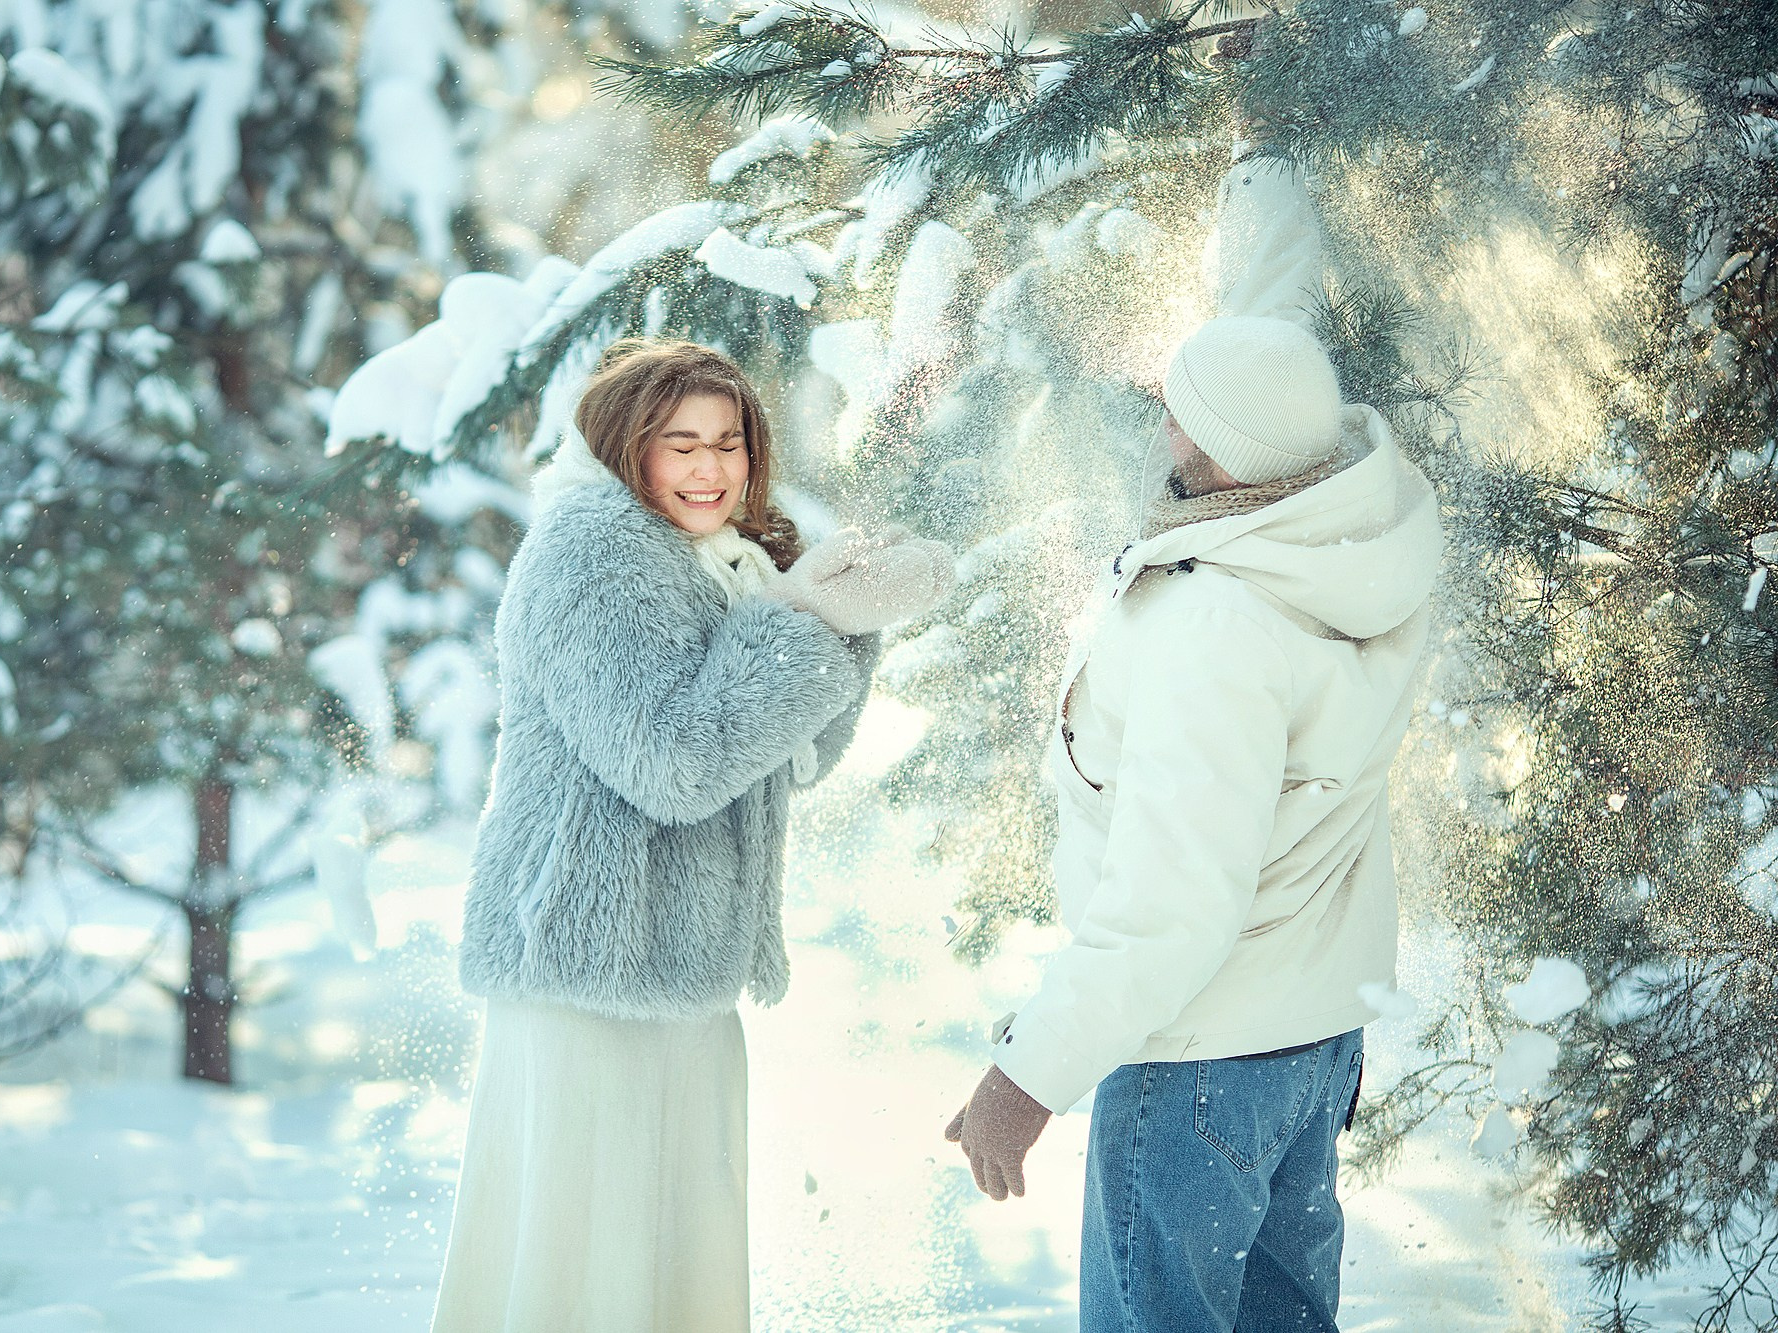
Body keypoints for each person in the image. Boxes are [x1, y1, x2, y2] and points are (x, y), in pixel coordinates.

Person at [943, 55, 1447, 1333]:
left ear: (1217, 445)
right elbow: (1269, 330)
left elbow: (1175, 902)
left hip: (1196, 1064)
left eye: (1177, 412)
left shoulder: (1213, 624)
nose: (1158, 424)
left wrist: (1027, 1074)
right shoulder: (1350, 527)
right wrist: (1261, 152)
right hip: (1307, 1043)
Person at [434, 337, 955, 1333]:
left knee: (672, 1247)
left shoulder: (721, 561)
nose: (711, 468)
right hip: (589, 967)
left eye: (729, 442)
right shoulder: (593, 550)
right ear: (629, 448)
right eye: (681, 445)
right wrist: (803, 621)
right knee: (587, 1254)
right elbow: (671, 762)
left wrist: (838, 621)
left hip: (679, 968)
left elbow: (792, 758)